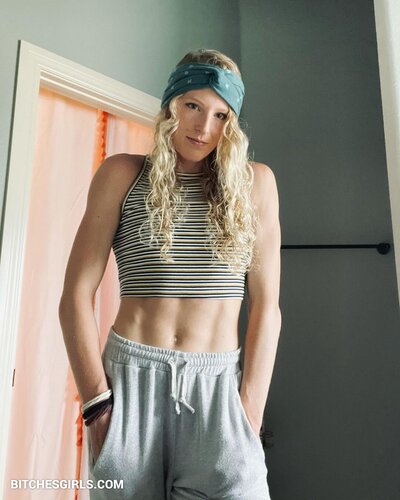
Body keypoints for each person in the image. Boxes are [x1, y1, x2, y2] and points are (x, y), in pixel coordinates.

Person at [59, 48, 281, 500]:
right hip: (130, 390)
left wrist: (249, 413)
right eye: (193, 106)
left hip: (218, 394)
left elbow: (267, 308)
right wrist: (97, 408)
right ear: (170, 105)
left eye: (220, 115)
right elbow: (75, 296)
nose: (204, 127)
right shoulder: (122, 174)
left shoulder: (255, 184)